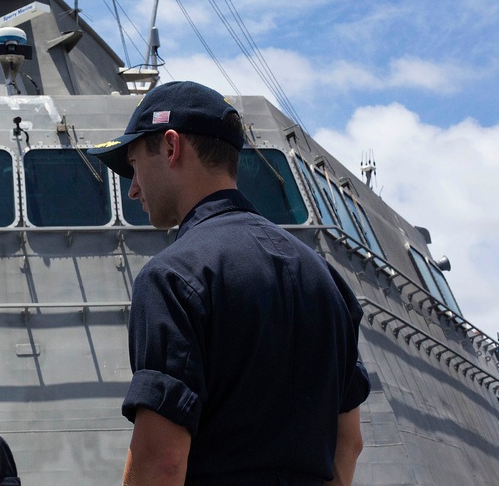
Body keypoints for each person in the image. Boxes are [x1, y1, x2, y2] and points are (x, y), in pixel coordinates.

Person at [88, 81, 370, 486]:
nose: (133, 190)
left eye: (134, 166)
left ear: (171, 147)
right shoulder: (325, 279)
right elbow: (349, 443)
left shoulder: (172, 278)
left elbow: (162, 462)